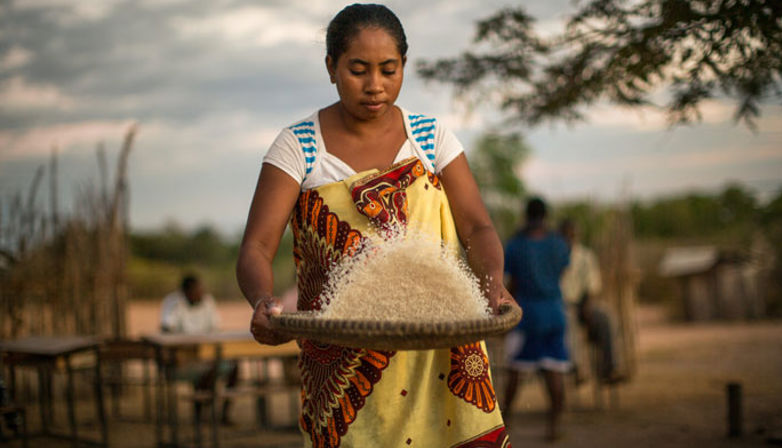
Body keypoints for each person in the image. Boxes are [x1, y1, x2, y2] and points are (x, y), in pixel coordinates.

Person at [236, 4, 514, 447]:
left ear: (405, 65)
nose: (375, 86)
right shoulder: (300, 147)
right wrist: (263, 300)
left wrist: (491, 283)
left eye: (389, 69)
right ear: (331, 67)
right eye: (358, 70)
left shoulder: (430, 138)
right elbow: (256, 246)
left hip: (440, 350)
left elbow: (477, 227)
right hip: (345, 366)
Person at [502, 197, 570, 441]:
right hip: (554, 313)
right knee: (555, 372)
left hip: (526, 316)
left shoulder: (516, 245)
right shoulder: (558, 243)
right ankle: (554, 427)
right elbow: (561, 272)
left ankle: (503, 425)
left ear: (526, 215)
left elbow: (512, 282)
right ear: (545, 216)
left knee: (515, 373)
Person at [160, 275, 239, 425]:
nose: (200, 293)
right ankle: (199, 410)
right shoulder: (174, 303)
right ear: (185, 292)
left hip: (206, 354)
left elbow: (215, 329)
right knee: (208, 369)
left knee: (233, 365)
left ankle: (224, 413)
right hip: (184, 357)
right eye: (196, 290)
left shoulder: (207, 302)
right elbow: (166, 329)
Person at [559, 219, 623, 384]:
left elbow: (592, 285)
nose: (569, 238)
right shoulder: (555, 257)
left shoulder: (586, 256)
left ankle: (610, 368)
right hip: (562, 305)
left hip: (583, 303)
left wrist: (587, 305)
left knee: (606, 318)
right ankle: (578, 368)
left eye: (572, 235)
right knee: (568, 320)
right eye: (566, 235)